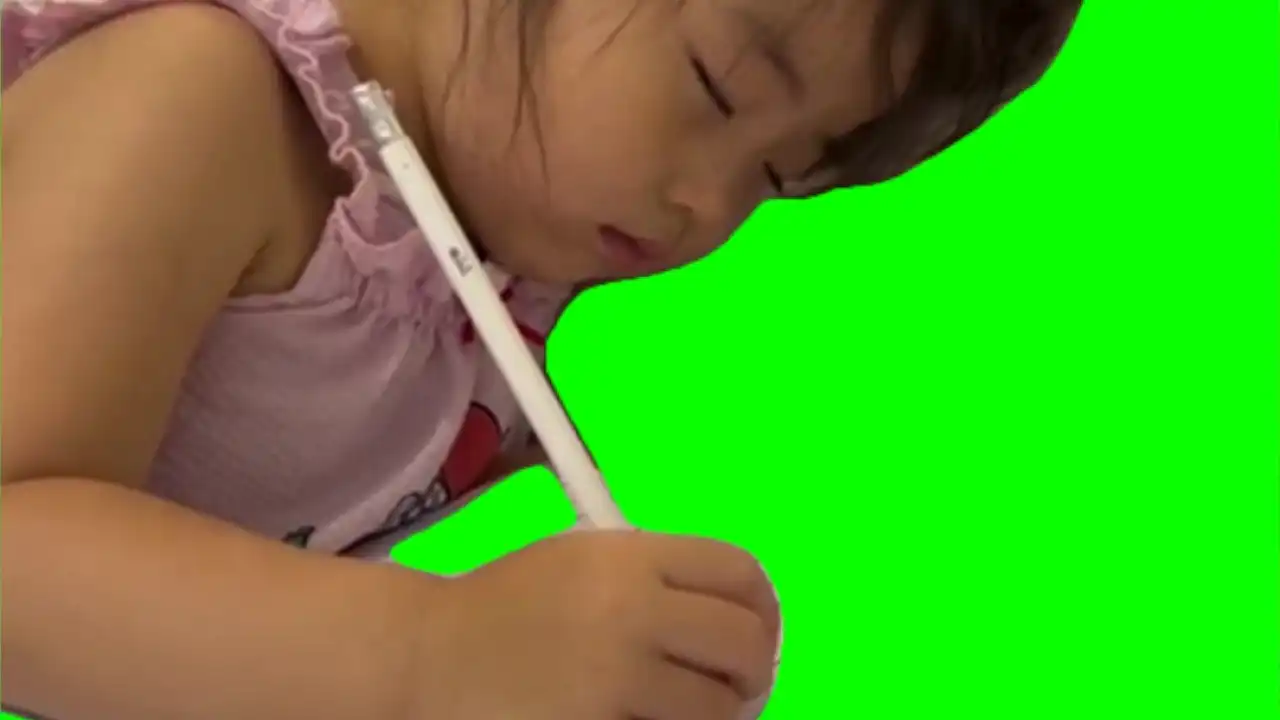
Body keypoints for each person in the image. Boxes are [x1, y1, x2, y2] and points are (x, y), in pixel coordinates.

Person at [0, 0, 1081, 718]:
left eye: (776, 175)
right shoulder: (192, 95)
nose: (706, 203)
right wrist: (434, 651)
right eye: (715, 86)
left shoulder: (507, 238)